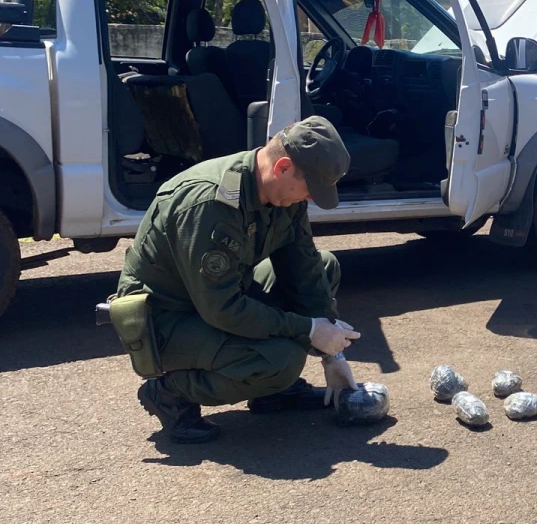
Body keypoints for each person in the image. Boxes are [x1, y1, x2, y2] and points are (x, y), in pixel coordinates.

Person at [114, 116, 363, 444]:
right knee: (281, 360)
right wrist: (309, 330)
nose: (311, 199)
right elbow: (222, 309)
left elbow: (303, 269)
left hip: (214, 297)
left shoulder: (280, 195)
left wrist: (333, 354)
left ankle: (275, 393)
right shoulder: (210, 203)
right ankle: (171, 394)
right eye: (310, 189)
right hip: (167, 319)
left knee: (325, 266)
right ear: (283, 167)